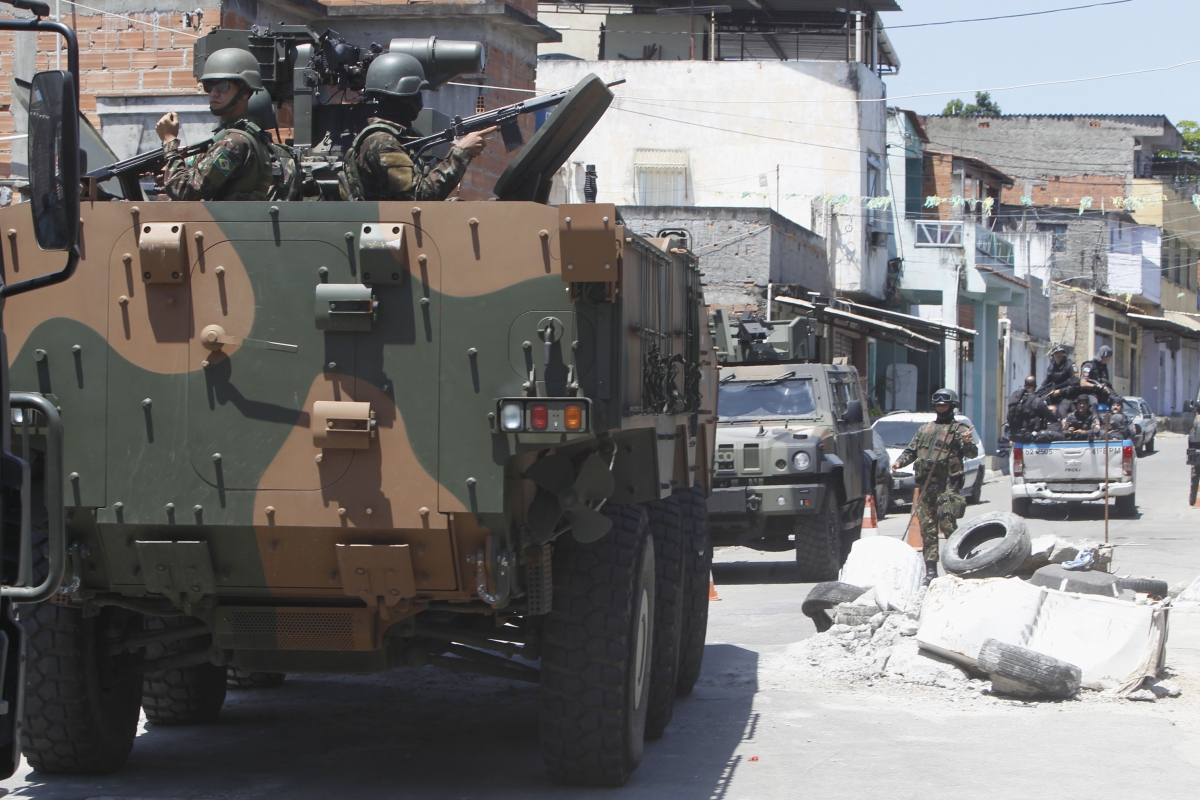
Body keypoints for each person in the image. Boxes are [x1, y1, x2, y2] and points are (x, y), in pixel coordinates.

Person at [342, 53, 496, 201]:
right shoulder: (382, 142)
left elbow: (423, 183)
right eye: (416, 92)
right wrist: (461, 153)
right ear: (403, 97)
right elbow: (419, 196)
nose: (419, 99)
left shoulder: (401, 137)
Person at [155, 48, 273, 201]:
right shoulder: (243, 137)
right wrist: (171, 172)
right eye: (208, 86)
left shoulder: (233, 142)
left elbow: (186, 191)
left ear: (245, 92)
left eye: (222, 86)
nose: (213, 93)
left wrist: (169, 142)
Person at [892, 389, 979, 585]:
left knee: (948, 525)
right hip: (926, 486)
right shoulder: (925, 429)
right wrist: (899, 462)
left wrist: (967, 443)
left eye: (945, 405)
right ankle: (931, 571)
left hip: (947, 485)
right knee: (927, 529)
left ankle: (957, 564)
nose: (941, 408)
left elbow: (971, 453)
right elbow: (912, 450)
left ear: (952, 406)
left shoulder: (958, 429)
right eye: (938, 405)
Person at [1007, 375, 1056, 440]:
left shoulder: (1016, 398)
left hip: (1015, 436)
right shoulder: (1037, 400)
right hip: (1030, 437)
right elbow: (1051, 417)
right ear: (1036, 386)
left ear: (1024, 385)